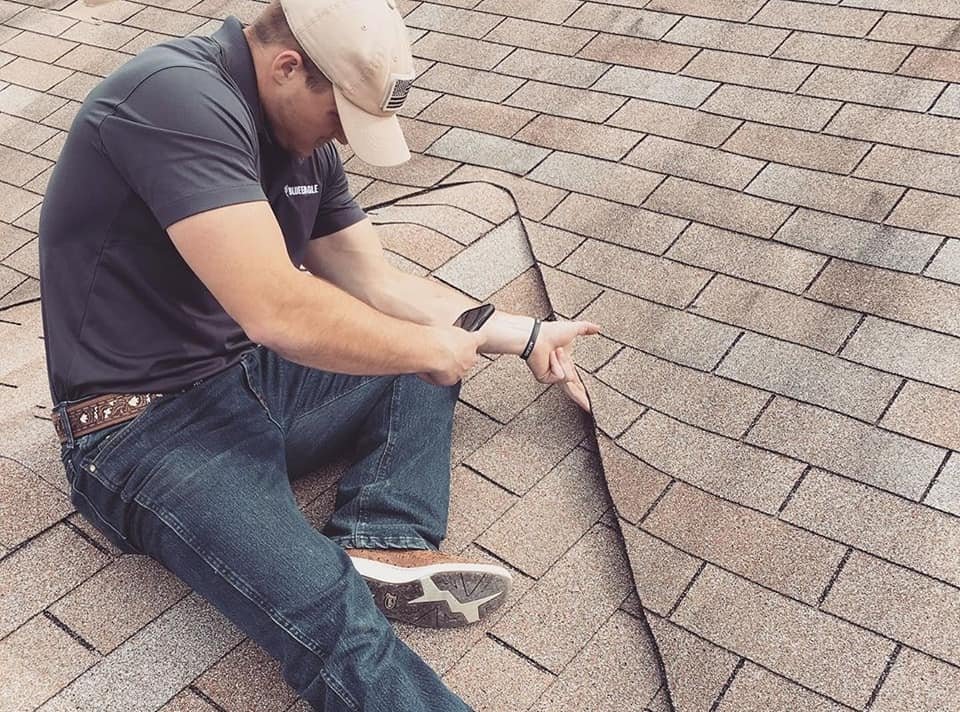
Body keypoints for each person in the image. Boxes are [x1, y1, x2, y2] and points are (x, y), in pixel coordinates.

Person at [38, 0, 600, 708]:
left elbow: (376, 283)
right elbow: (276, 307)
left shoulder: (302, 144)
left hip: (246, 379)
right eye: (339, 117)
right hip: (140, 432)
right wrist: (427, 345)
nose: (341, 139)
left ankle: (381, 536)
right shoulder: (172, 100)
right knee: (337, 623)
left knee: (407, 357)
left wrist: (518, 334)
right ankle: (353, 580)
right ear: (286, 66)